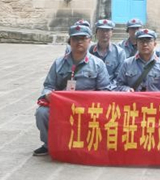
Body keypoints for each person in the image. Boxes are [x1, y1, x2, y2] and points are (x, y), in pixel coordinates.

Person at [33, 24, 111, 156]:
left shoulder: (98, 64)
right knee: (42, 113)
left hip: (88, 107)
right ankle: (49, 144)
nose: (79, 42)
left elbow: (106, 91)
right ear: (70, 41)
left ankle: (92, 142)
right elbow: (48, 85)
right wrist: (48, 95)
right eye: (75, 39)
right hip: (63, 106)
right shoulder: (59, 63)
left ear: (89, 40)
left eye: (83, 38)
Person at [88, 19, 125, 86]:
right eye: (101, 30)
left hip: (112, 88)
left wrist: (108, 88)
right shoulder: (89, 50)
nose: (104, 33)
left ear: (112, 33)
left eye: (107, 30)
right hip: (92, 88)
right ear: (96, 32)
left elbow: (119, 77)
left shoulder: (119, 53)